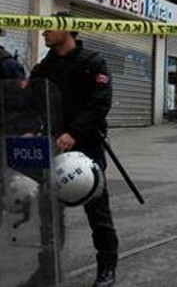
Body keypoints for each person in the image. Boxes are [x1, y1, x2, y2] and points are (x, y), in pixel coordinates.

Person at [29, 16, 119, 287]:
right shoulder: (43, 68)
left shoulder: (93, 62)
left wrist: (75, 132)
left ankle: (107, 268)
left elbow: (100, 103)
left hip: (86, 145)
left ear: (67, 30)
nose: (44, 32)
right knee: (47, 214)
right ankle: (47, 268)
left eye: (50, 27)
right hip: (51, 146)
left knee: (98, 212)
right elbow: (31, 101)